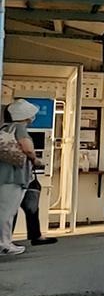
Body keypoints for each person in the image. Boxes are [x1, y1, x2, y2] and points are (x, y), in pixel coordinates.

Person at [0, 99, 40, 255]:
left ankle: (5, 242)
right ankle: (4, 243)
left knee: (5, 210)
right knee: (6, 212)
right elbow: (28, 149)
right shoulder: (20, 128)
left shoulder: (4, 128)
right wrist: (35, 159)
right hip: (14, 177)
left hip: (3, 175)